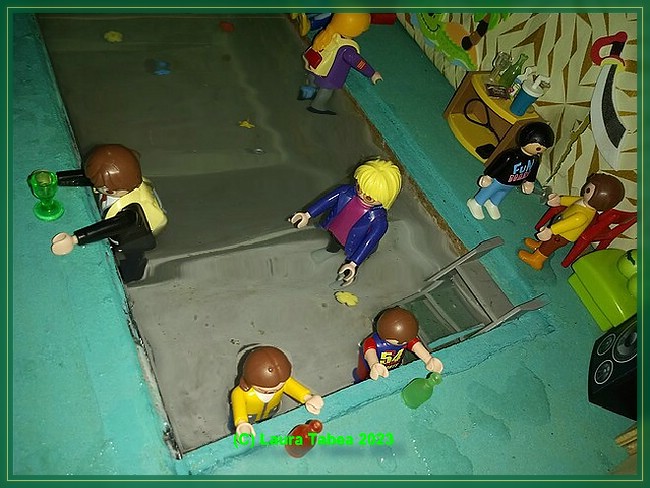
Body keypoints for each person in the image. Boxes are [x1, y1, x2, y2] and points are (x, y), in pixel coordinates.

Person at [50, 144, 167, 283]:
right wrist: (56, 178)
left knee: (133, 257)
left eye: (100, 184)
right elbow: (90, 179)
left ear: (110, 190)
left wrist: (75, 239)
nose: (95, 184)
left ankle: (132, 276)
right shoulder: (120, 183)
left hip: (134, 238)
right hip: (122, 229)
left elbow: (107, 228)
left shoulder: (129, 215)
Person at [290, 159, 401, 286]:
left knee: (354, 264)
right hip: (336, 230)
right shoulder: (345, 191)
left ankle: (348, 276)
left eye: (369, 197)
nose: (361, 194)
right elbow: (326, 201)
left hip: (356, 245)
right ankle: (330, 252)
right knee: (334, 243)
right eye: (359, 187)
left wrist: (354, 263)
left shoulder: (379, 221)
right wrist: (307, 214)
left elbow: (369, 242)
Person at [518, 173, 625, 270]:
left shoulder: (581, 216)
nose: (585, 188)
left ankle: (536, 259)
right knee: (547, 242)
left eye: (588, 190)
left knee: (549, 246)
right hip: (558, 227)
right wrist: (559, 200)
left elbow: (566, 225)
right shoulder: (584, 201)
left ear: (598, 198)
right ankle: (539, 244)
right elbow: (573, 201)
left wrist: (551, 230)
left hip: (561, 235)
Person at [467, 121, 555, 220]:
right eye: (539, 147)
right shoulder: (511, 155)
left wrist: (529, 182)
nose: (540, 150)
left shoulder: (535, 159)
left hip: (512, 183)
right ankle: (476, 202)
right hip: (499, 180)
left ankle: (492, 203)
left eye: (544, 148)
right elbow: (497, 165)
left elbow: (533, 172)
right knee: (489, 190)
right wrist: (488, 176)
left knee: (501, 194)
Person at [298, 13, 382, 115]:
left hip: (314, 66)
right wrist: (371, 73)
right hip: (329, 75)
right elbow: (359, 63)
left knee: (311, 80)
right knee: (326, 90)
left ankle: (306, 94)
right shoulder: (347, 49)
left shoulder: (328, 34)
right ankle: (317, 106)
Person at [230, 346, 323, 437]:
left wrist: (308, 398)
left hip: (272, 412)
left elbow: (294, 388)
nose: (274, 391)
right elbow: (239, 410)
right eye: (266, 390)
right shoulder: (240, 393)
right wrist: (242, 423)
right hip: (249, 418)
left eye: (278, 388)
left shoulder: (283, 382)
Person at [354, 307, 443, 382]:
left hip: (394, 364)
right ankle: (358, 379)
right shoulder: (372, 342)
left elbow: (417, 346)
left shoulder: (407, 338)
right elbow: (370, 353)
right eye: (400, 341)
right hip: (369, 366)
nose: (403, 343)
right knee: (362, 375)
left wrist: (428, 359)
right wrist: (374, 365)